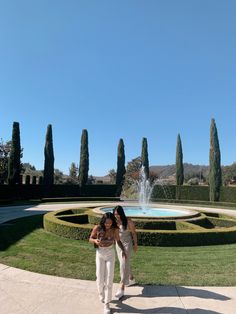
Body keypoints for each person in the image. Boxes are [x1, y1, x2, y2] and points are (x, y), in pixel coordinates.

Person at [89, 212, 126, 314]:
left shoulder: (115, 229)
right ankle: (101, 293)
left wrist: (123, 251)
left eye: (110, 223)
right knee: (100, 277)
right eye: (106, 223)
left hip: (110, 254)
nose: (108, 225)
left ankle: (107, 304)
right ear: (103, 221)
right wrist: (95, 241)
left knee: (109, 279)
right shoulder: (97, 228)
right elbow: (90, 238)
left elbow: (118, 241)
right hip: (100, 253)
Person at [113, 205, 138, 299]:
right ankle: (131, 278)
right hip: (118, 245)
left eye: (118, 214)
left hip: (127, 245)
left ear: (121, 213)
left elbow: (134, 233)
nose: (117, 216)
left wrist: (135, 244)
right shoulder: (114, 222)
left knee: (123, 264)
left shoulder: (128, 222)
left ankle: (122, 287)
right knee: (124, 263)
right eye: (115, 214)